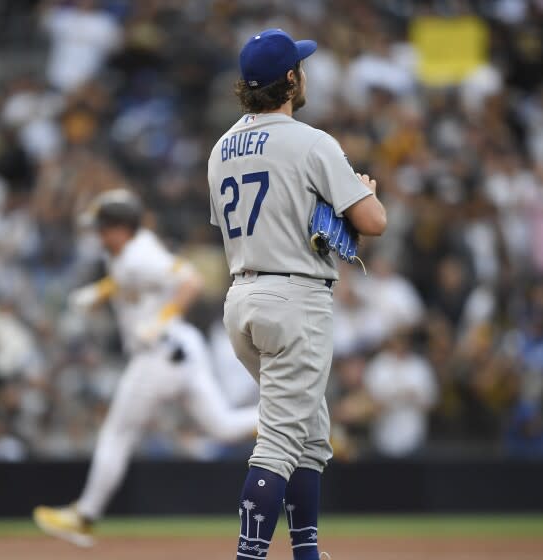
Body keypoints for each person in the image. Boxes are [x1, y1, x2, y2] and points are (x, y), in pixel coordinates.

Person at [207, 29, 387, 560]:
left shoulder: (220, 148)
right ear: (291, 79)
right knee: (281, 442)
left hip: (241, 297)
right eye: (300, 66)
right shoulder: (312, 141)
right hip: (295, 300)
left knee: (310, 433)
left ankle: (306, 553)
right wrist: (366, 195)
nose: (304, 72)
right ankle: (250, 555)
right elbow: (373, 222)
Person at [33, 189, 259, 547]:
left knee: (116, 435)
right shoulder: (128, 251)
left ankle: (84, 516)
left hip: (157, 355)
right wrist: (101, 292)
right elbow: (128, 279)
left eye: (103, 227)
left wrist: (161, 319)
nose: (98, 234)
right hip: (183, 348)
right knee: (223, 425)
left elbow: (191, 280)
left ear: (122, 228)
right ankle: (292, 417)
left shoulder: (139, 254)